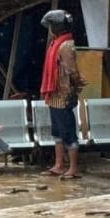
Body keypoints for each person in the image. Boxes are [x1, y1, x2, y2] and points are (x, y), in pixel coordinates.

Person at [40, 10, 86, 179]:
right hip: (55, 95)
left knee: (68, 132)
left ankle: (73, 168)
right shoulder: (56, 43)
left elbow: (71, 70)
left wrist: (77, 82)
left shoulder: (66, 45)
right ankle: (59, 165)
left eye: (52, 25)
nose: (50, 28)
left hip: (64, 94)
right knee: (57, 132)